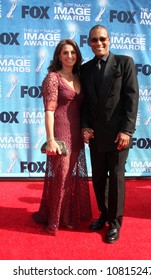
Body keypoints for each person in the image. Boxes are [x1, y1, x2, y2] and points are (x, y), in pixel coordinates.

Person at [80, 25, 139, 243]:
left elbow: (132, 99)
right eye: (94, 40)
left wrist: (127, 130)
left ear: (109, 40)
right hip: (95, 136)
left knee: (115, 178)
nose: (99, 43)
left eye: (102, 39)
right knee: (97, 179)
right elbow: (85, 104)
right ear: (89, 43)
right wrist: (84, 126)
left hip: (117, 135)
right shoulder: (85, 69)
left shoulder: (124, 63)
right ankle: (104, 215)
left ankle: (114, 223)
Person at [32, 39, 92, 235]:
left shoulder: (78, 77)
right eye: (65, 53)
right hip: (60, 132)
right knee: (61, 176)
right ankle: (54, 221)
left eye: (73, 53)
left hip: (76, 134)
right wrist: (50, 139)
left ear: (77, 56)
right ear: (58, 55)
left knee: (68, 178)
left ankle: (65, 215)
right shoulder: (53, 78)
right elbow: (49, 111)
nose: (69, 56)